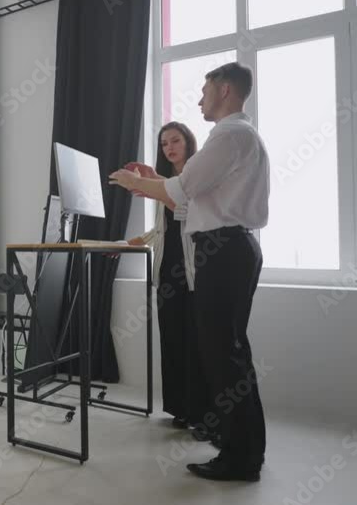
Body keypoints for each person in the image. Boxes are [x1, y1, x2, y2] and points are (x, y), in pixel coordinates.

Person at [110, 62, 269, 482]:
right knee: (229, 354)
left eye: (205, 90)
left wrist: (132, 181)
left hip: (224, 251)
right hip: (231, 249)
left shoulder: (229, 136)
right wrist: (150, 181)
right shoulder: (239, 136)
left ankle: (240, 457)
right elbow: (185, 197)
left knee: (223, 356)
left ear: (226, 90)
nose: (200, 100)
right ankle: (242, 449)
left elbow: (179, 192)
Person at [124, 122, 211, 440]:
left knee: (197, 346)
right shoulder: (163, 184)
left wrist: (153, 184)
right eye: (164, 144)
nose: (170, 148)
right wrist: (133, 242)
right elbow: (163, 228)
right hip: (167, 272)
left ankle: (204, 415)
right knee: (172, 342)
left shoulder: (194, 177)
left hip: (193, 273)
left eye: (175, 141)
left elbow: (190, 212)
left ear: (188, 143)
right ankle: (181, 409)